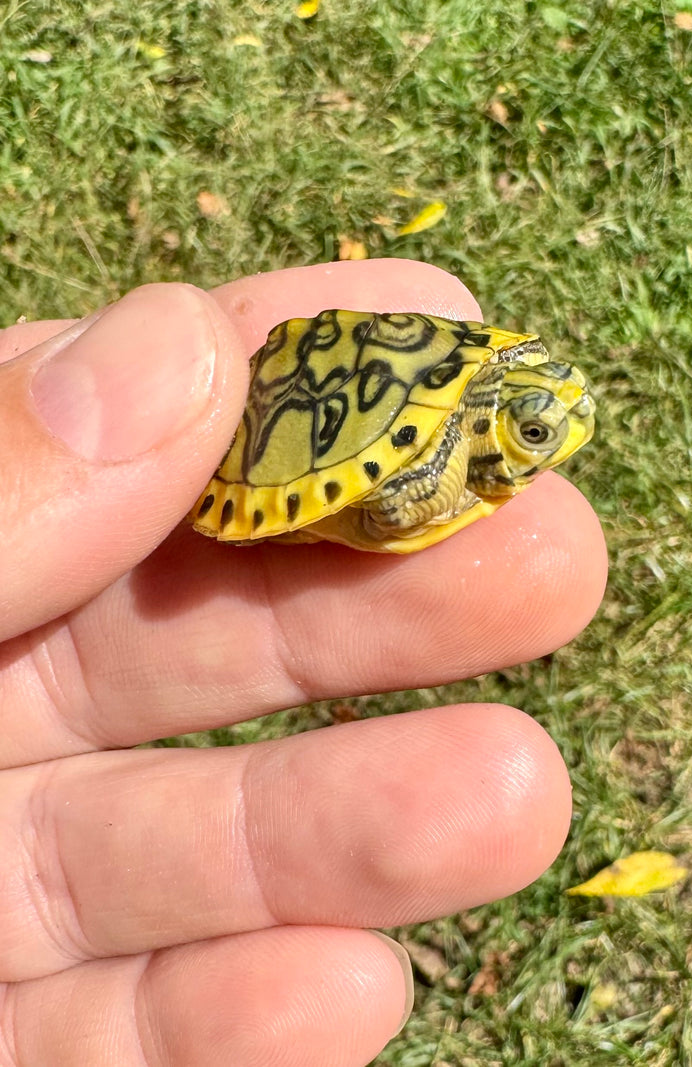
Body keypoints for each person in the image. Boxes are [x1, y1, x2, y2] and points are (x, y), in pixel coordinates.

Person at [0, 259, 606, 1065]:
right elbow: (393, 505)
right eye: (533, 432)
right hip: (291, 427)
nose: (554, 443)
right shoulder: (444, 448)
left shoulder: (480, 393)